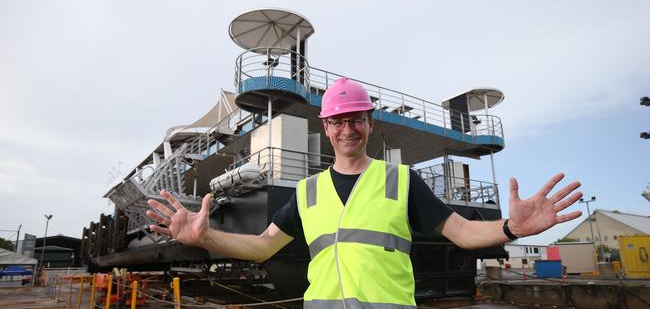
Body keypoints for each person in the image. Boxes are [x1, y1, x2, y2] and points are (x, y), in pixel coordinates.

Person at [147, 78, 583, 309]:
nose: (347, 129)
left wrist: (511, 228)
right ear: (326, 127)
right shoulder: (307, 190)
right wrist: (203, 238)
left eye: (356, 119)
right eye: (337, 121)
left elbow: (463, 233)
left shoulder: (401, 181)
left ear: (369, 123)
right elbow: (263, 247)